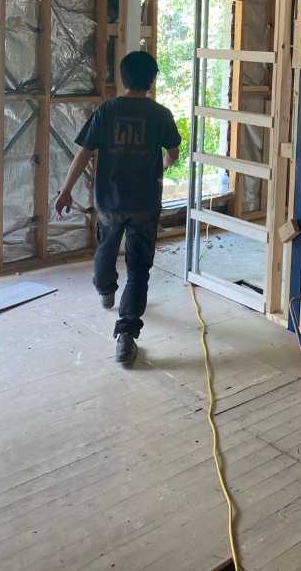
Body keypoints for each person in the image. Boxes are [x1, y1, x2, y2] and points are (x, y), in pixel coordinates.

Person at [55, 51, 181, 366]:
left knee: (105, 250)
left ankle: (106, 288)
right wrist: (163, 165)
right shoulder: (160, 114)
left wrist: (66, 191)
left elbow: (84, 153)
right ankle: (126, 337)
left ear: (122, 79)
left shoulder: (107, 111)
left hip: (109, 202)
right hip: (144, 205)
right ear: (152, 80)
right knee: (139, 269)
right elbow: (174, 153)